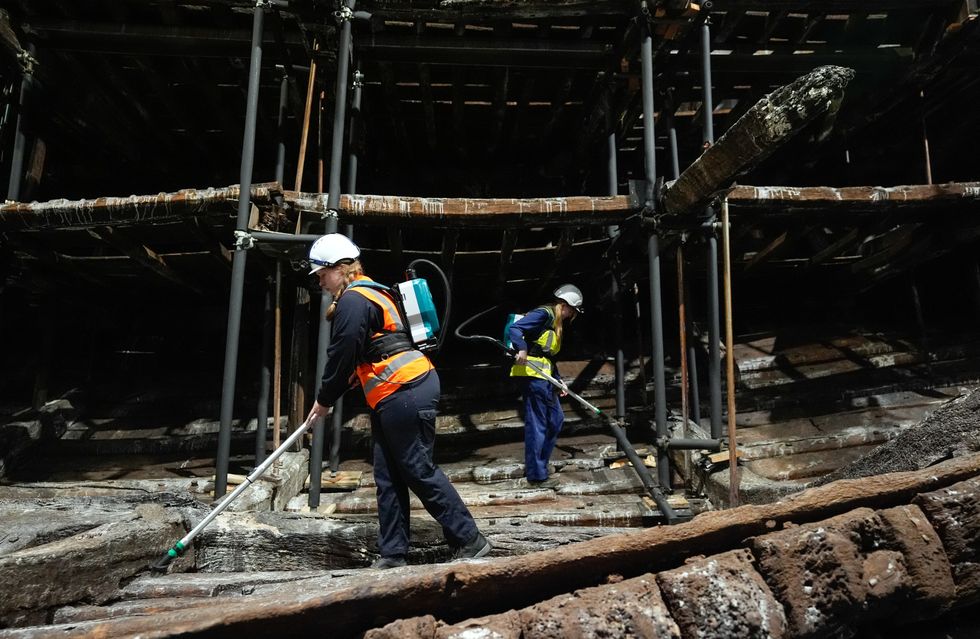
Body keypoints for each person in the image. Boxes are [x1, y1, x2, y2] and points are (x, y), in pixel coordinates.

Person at [305, 233, 490, 569]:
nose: (320, 283)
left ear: (337, 268)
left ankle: (470, 539)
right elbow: (365, 355)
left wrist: (324, 399)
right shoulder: (373, 293)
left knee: (416, 467)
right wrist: (332, 393)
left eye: (321, 275)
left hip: (404, 389)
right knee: (388, 474)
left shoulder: (354, 300)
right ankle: (393, 554)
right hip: (396, 392)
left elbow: (342, 352)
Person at [508, 284, 584, 488]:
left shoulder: (555, 321)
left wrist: (558, 380)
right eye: (572, 311)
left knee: (556, 420)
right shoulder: (543, 314)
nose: (572, 315)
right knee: (538, 423)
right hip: (532, 377)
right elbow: (515, 329)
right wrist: (522, 349)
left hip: (545, 377)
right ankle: (536, 475)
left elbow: (547, 356)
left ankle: (540, 466)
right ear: (564, 305)